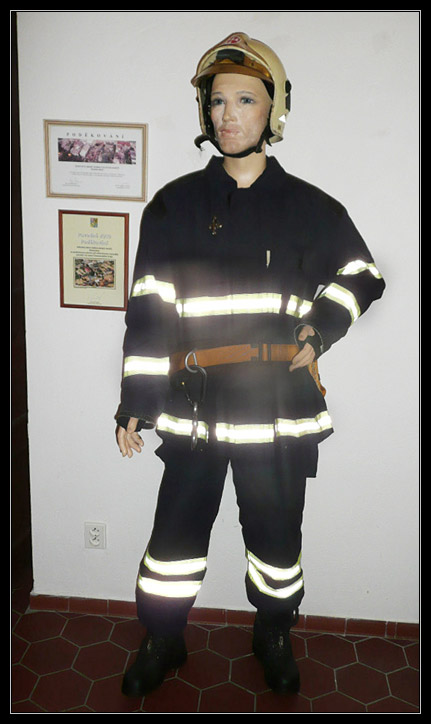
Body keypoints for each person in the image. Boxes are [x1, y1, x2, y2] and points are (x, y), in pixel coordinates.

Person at [116, 32, 385, 697]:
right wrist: (137, 402)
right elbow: (149, 314)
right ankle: (163, 636)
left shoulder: (311, 209)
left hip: (276, 409)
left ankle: (272, 632)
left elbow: (362, 274)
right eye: (217, 101)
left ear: (274, 110)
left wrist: (321, 328)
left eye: (245, 100)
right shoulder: (173, 207)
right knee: (173, 537)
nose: (228, 114)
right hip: (195, 408)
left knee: (276, 539)